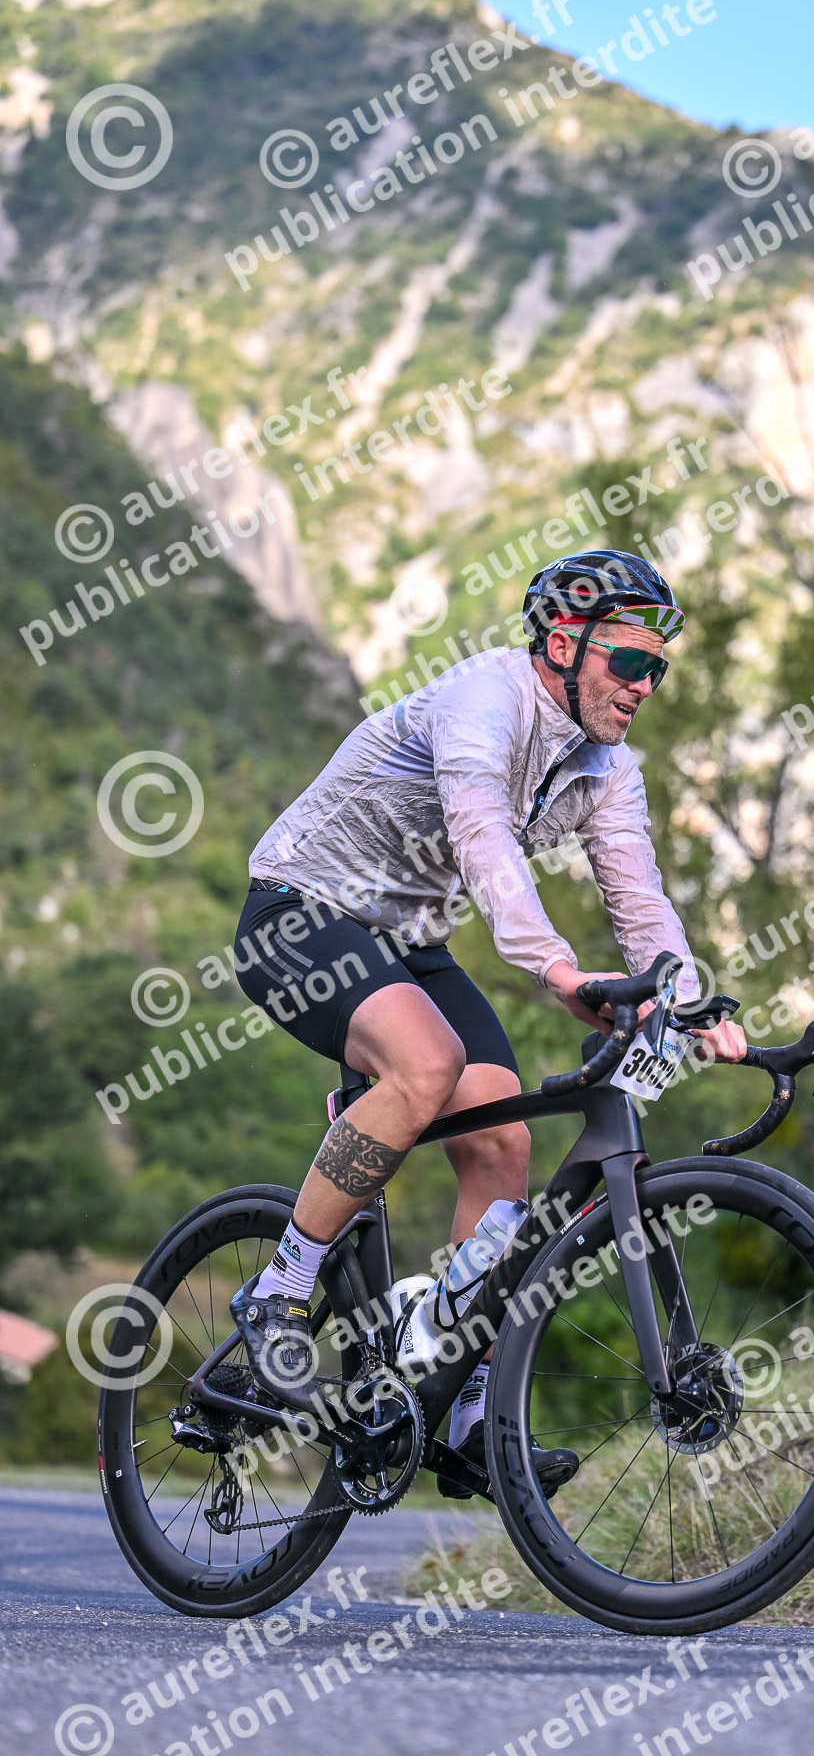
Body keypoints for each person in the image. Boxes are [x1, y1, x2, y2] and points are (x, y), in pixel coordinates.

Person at [227, 550, 746, 1492]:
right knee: (426, 1065)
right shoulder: (483, 700)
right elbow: (483, 840)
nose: (645, 685)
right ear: (564, 644)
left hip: (407, 940)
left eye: (658, 669)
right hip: (300, 910)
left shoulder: (608, 768)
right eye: (631, 661)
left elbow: (640, 900)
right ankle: (281, 1289)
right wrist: (557, 969)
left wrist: (686, 1005)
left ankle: (466, 1409)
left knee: (504, 1140)